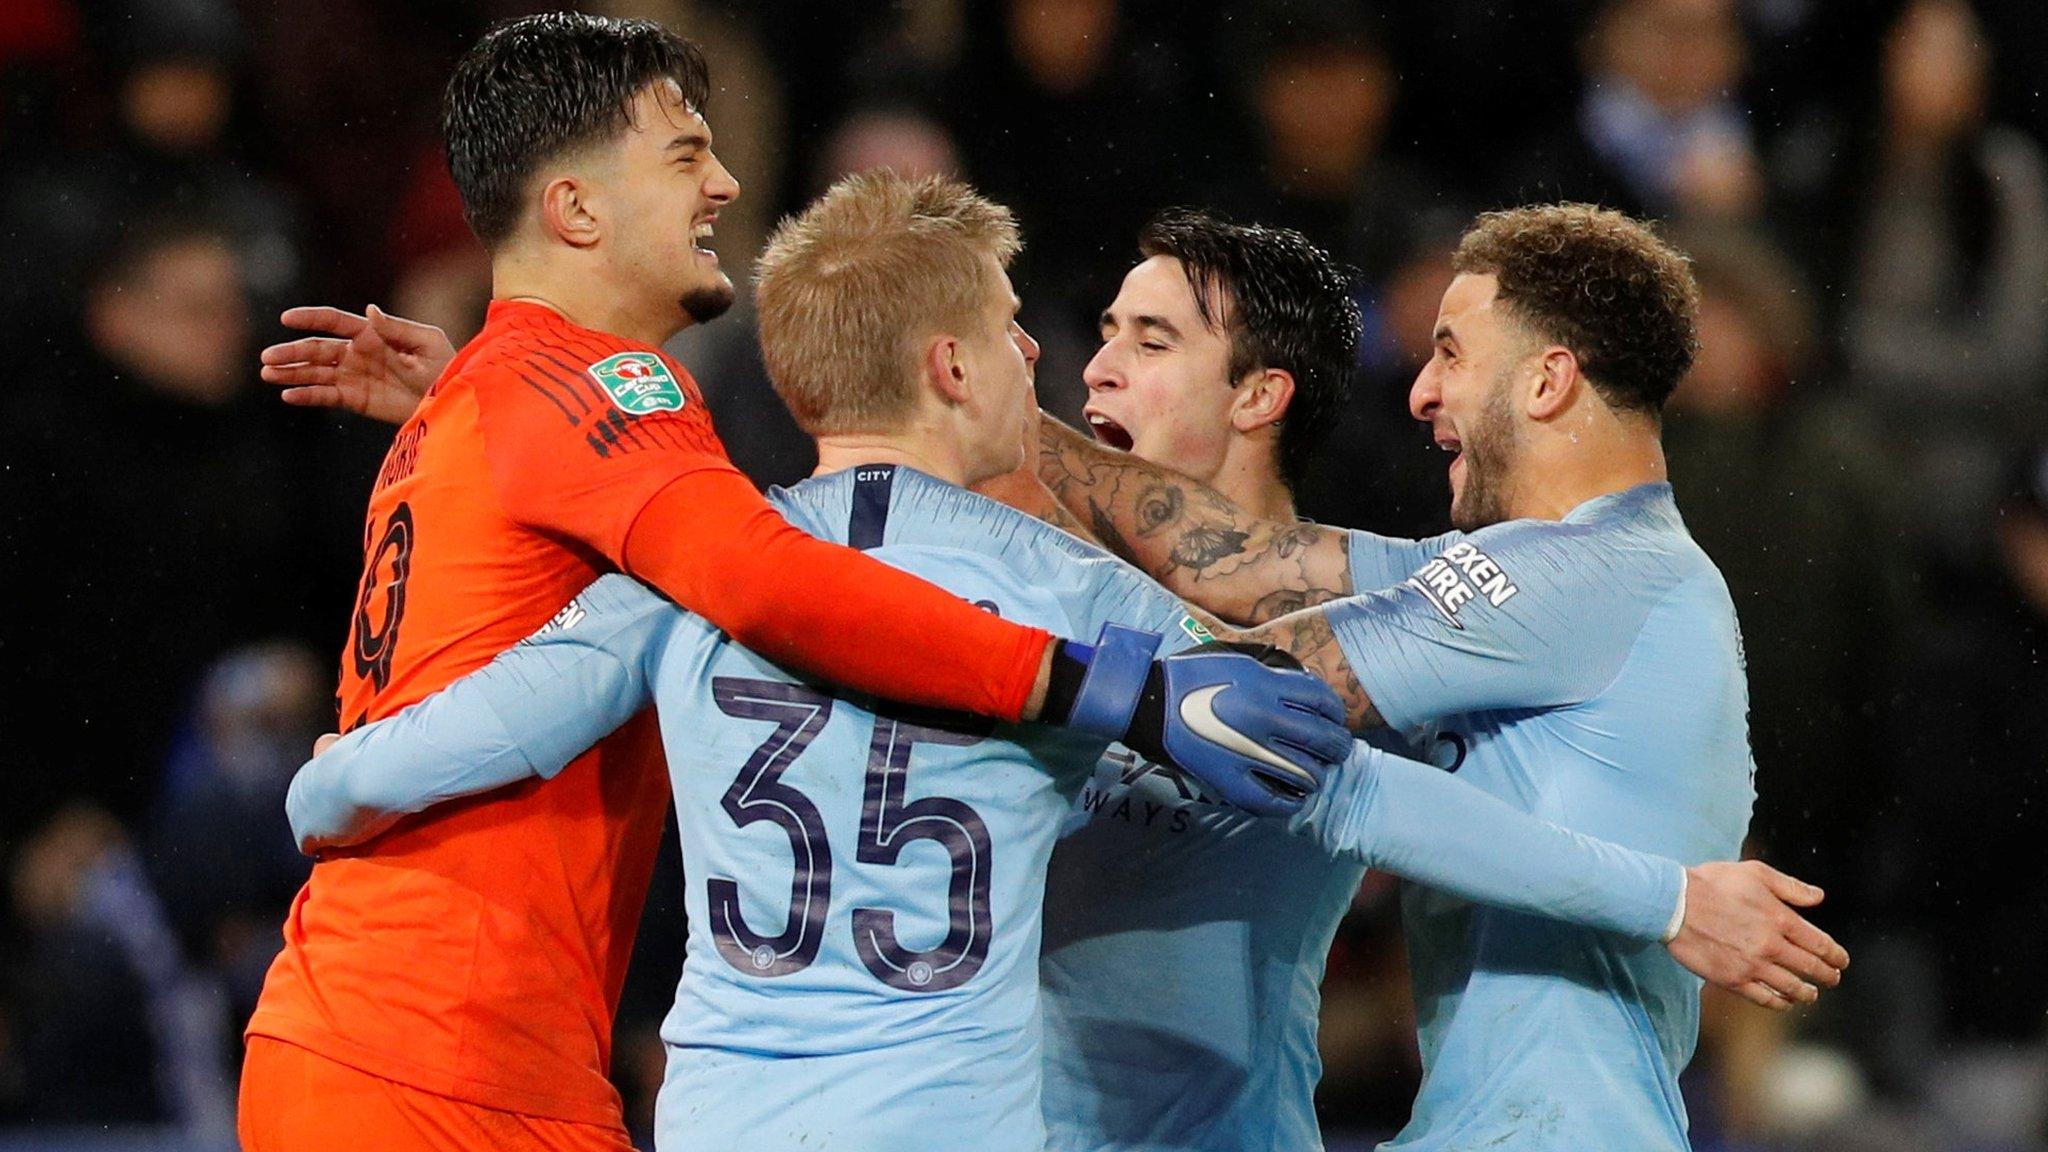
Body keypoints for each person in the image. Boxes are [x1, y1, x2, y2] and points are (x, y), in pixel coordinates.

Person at [281, 188, 1843, 1151]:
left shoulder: (704, 566)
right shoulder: (1086, 631)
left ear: (1259, 396)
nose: (1069, 364)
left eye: (1140, 339)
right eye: (1041, 328)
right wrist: (1663, 896)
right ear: (959, 365)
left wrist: (325, 778)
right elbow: (1343, 783)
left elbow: (419, 750)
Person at [236, 16, 1341, 1152]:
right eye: (682, 155)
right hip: (447, 1061)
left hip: (375, 1035)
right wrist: (1111, 692)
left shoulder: (475, 410)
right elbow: (767, 580)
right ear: (574, 212)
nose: (721, 183)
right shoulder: (604, 392)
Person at [1035, 202, 1817, 1149]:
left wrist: (993, 636)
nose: (1421, 392)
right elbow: (1238, 563)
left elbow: (1251, 697)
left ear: (1546, 381)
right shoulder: (1549, 580)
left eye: (1451, 354)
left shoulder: (1587, 577)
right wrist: (997, 428)